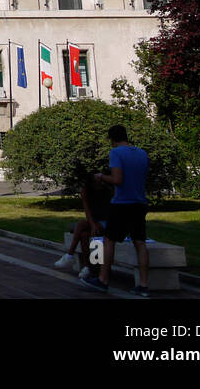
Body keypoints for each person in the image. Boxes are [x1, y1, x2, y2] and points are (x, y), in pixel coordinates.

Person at [80, 124, 152, 297]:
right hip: (140, 202)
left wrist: (101, 176)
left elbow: (117, 179)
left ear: (112, 139)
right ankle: (143, 285)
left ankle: (103, 279)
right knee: (140, 242)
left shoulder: (116, 153)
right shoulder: (142, 153)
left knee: (109, 240)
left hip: (122, 203)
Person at [55, 165, 112, 275]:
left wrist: (94, 224)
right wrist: (93, 224)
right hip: (94, 222)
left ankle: (70, 255)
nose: (99, 177)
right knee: (84, 235)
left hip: (106, 222)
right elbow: (87, 211)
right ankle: (87, 267)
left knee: (86, 228)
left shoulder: (107, 190)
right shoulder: (86, 191)